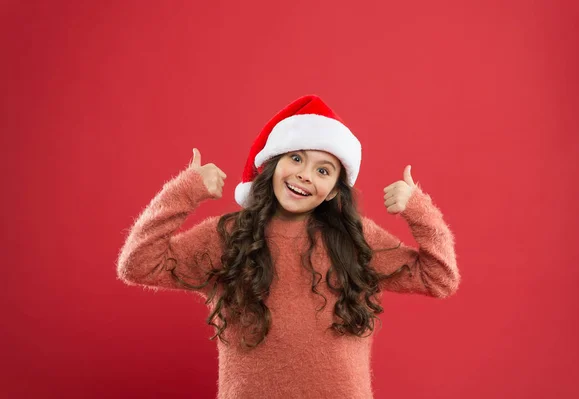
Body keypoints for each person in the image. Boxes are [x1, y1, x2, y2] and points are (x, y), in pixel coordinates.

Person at [117, 95, 461, 399]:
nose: (305, 175)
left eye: (323, 169)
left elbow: (439, 279)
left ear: (331, 191)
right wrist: (185, 190)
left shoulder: (355, 240)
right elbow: (138, 264)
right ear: (273, 164)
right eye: (296, 158)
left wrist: (418, 208)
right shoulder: (229, 236)